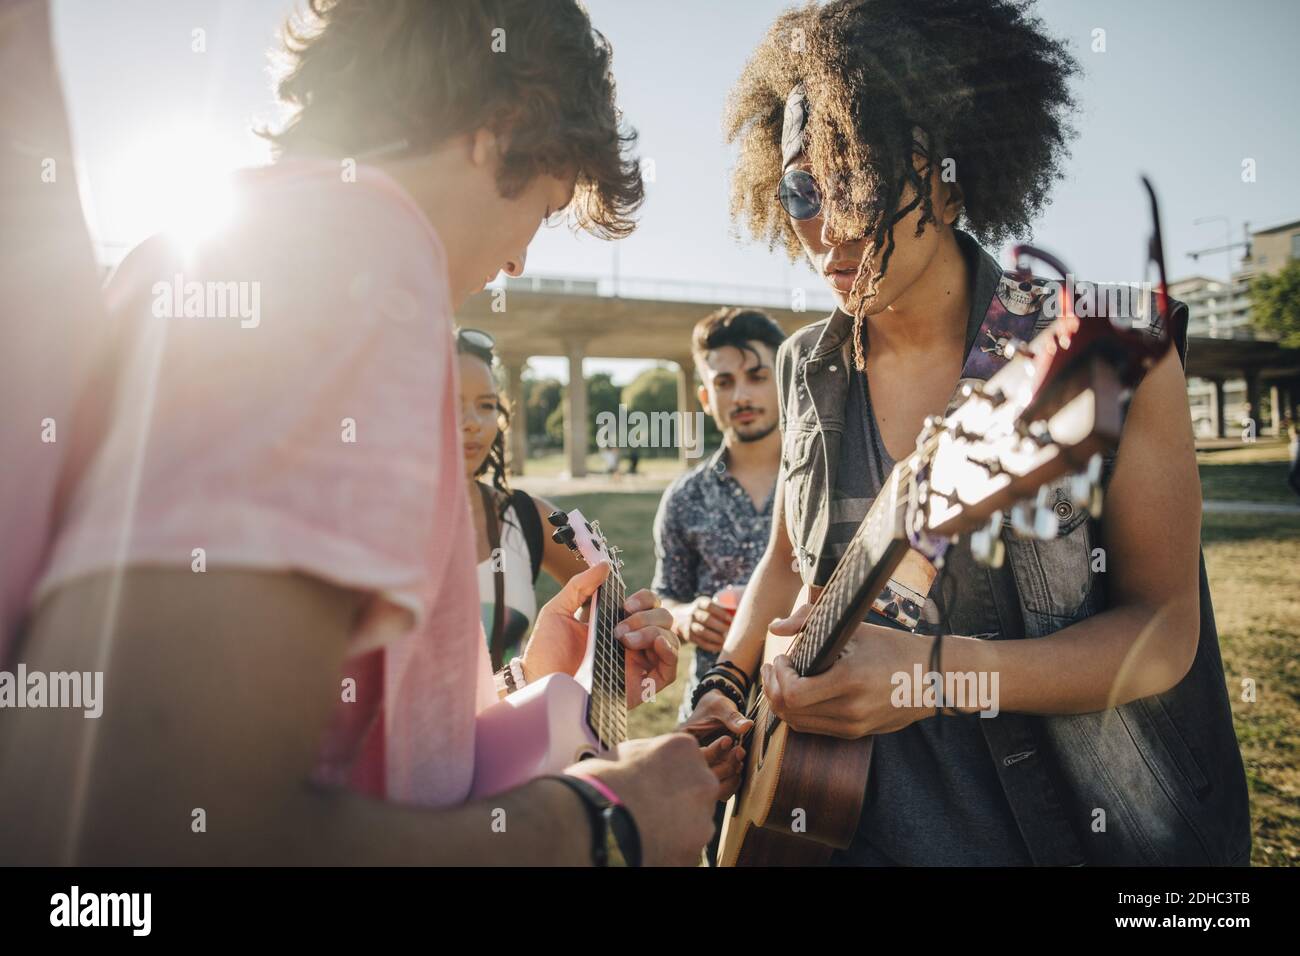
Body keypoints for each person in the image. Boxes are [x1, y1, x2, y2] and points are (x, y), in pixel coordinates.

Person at [0, 0, 725, 866]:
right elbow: (150, 829)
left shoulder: (195, 258)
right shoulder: (359, 260)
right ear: (502, 130)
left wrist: (531, 693)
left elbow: (344, 753)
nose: (521, 260)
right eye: (549, 201)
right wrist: (606, 826)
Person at [683, 0, 1249, 866]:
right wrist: (727, 683)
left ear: (945, 175)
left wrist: (932, 677)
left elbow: (1165, 630)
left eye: (856, 177)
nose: (823, 223)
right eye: (800, 186)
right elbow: (792, 560)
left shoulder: (1104, 348)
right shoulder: (803, 366)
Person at [652, 306, 786, 861]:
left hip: (808, 717)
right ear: (705, 398)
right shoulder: (683, 498)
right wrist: (685, 616)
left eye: (758, 376)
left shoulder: (821, 481)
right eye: (724, 382)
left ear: (787, 382)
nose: (743, 395)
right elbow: (665, 596)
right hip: (716, 719)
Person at [456, 327, 586, 669]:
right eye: (450, 403)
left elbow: (610, 602)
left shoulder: (529, 516)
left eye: (486, 405)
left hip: (513, 723)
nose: (472, 423)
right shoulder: (369, 522)